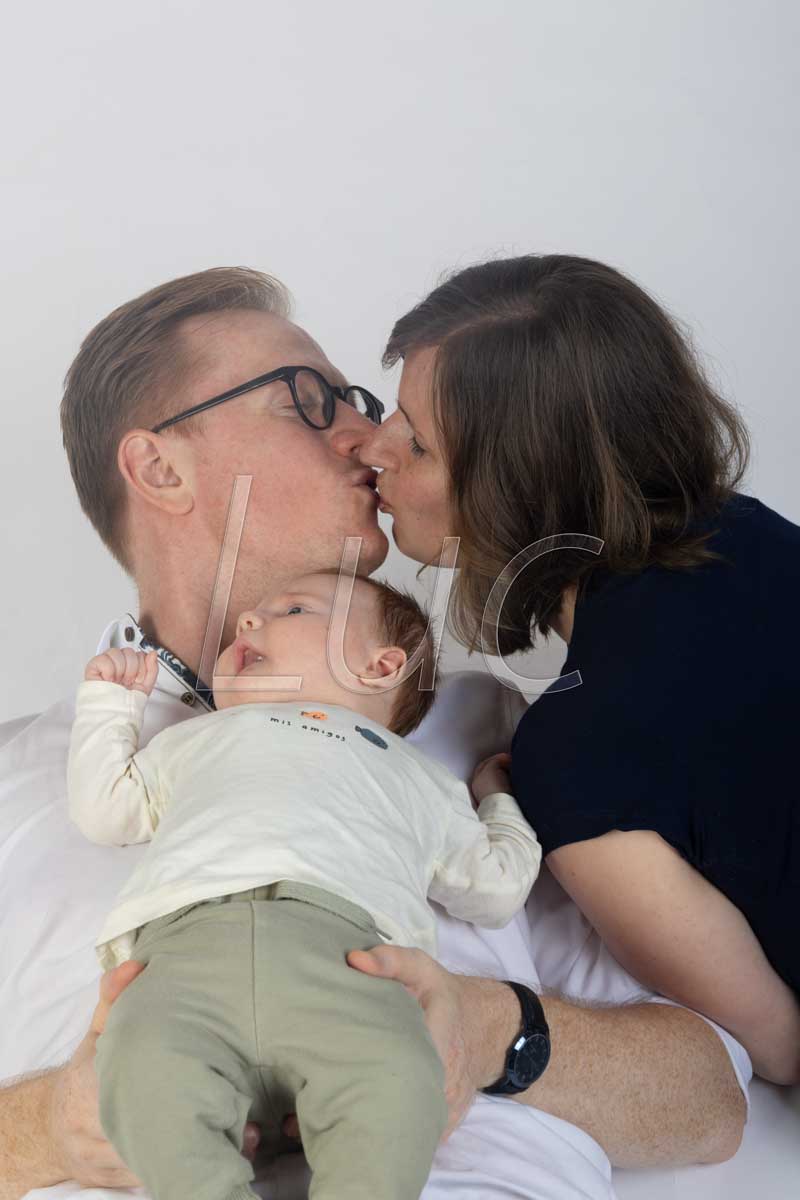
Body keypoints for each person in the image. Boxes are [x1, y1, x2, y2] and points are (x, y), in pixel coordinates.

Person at [0, 267, 747, 1200]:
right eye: (307, 402)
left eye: (356, 399)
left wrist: (493, 1031)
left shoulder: (495, 738)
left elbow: (713, 1102)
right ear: (160, 469)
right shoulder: (13, 784)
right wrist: (42, 1129)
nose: (367, 435)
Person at [355, 252, 800, 1092]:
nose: (371, 447)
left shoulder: (578, 757)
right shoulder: (756, 534)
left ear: (516, 489)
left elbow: (775, 1047)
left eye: (416, 441)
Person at [66, 570, 540, 1199]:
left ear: (379, 666)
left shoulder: (420, 778)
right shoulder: (197, 737)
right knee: (138, 1074)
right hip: (182, 960)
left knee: (402, 1080)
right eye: (254, 614)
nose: (248, 620)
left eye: (293, 610)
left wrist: (495, 796)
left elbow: (498, 886)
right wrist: (112, 702)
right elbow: (106, 807)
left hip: (347, 964)